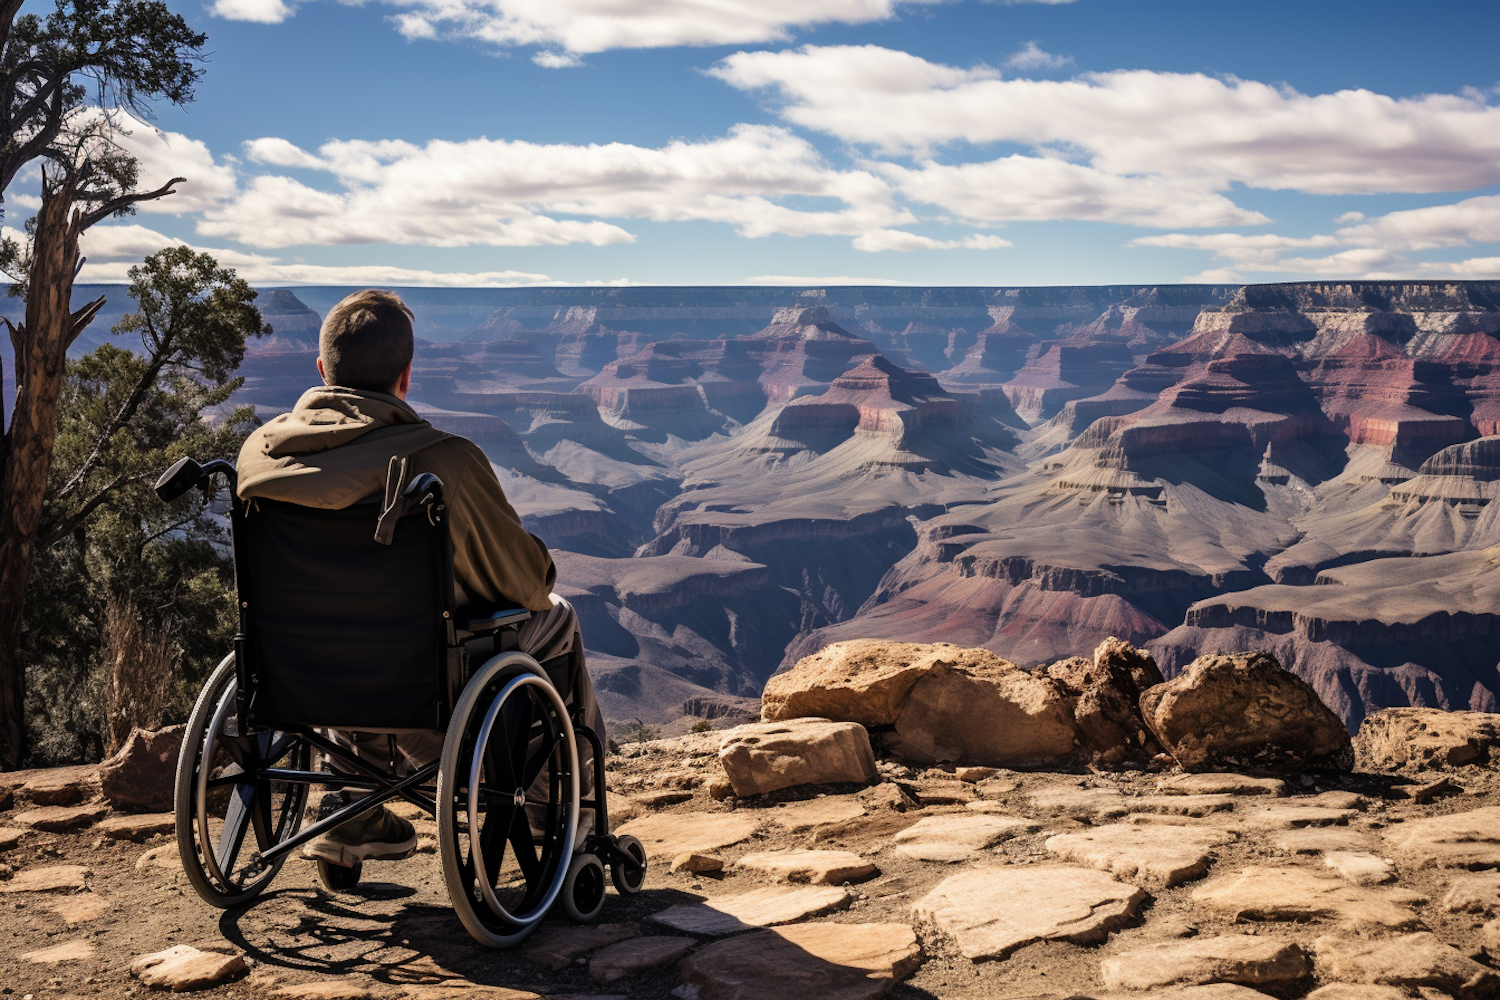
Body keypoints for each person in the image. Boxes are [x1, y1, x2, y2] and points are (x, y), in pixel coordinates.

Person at [236, 288, 604, 866]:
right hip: (424, 686)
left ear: (321, 369)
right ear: (406, 376)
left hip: (298, 669)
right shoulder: (444, 460)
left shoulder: (258, 455)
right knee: (557, 615)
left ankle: (352, 808)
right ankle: (556, 812)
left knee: (351, 627)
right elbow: (527, 584)